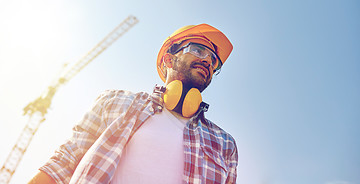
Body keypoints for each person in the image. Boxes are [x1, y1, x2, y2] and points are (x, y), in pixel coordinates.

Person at [28, 24, 238, 184]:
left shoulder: (225, 144)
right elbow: (62, 164)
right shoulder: (114, 102)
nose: (208, 61)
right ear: (168, 59)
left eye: (214, 61)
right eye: (198, 50)